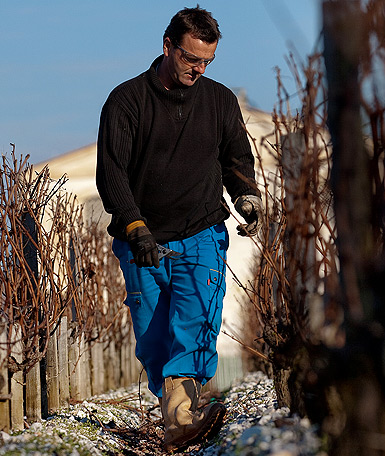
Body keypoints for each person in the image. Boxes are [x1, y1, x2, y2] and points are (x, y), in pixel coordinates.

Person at [95, 6, 261, 452]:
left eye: (207, 61)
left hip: (202, 231)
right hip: (142, 240)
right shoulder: (126, 102)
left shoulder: (220, 101)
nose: (198, 69)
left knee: (195, 325)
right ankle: (179, 415)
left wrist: (247, 197)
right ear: (167, 46)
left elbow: (236, 159)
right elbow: (112, 174)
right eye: (191, 59)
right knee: (153, 344)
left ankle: (181, 421)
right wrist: (135, 227)